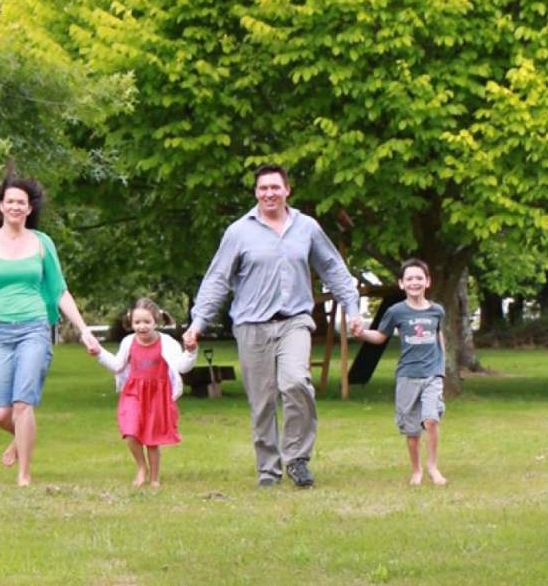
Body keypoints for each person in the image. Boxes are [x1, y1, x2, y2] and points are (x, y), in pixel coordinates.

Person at [183, 164, 363, 489]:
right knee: (262, 400)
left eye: (275, 187)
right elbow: (217, 279)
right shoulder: (238, 232)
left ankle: (297, 460)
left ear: (287, 190)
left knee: (296, 383)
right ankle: (268, 470)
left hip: (294, 321)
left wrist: (352, 308)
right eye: (263, 188)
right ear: (256, 193)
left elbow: (334, 269)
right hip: (252, 325)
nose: (269, 193)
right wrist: (198, 322)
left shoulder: (306, 228)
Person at [0, 174, 100, 486]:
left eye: (21, 202)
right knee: (0, 413)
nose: (15, 207)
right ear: (1, 206)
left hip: (34, 329)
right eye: (10, 201)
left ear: (28, 208)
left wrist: (83, 329)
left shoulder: (42, 243)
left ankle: (24, 476)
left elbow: (60, 291)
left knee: (23, 404)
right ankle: (24, 434)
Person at [352, 258, 447, 486]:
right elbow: (380, 336)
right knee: (412, 428)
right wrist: (362, 333)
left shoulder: (437, 311)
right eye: (410, 279)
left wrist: (441, 370)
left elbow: (440, 340)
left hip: (432, 374)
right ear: (402, 284)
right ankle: (416, 470)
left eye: (419, 278)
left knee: (431, 420)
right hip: (407, 376)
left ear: (428, 282)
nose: (415, 282)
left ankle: (433, 466)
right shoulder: (396, 311)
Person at [95, 297, 197, 487]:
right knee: (131, 431)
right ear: (131, 322)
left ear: (156, 321)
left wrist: (191, 352)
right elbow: (117, 365)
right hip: (133, 392)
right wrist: (99, 353)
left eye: (146, 322)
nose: (142, 326)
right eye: (137, 322)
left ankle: (154, 477)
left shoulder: (167, 343)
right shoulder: (128, 342)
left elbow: (182, 367)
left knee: (152, 438)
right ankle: (142, 467)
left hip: (157, 396)